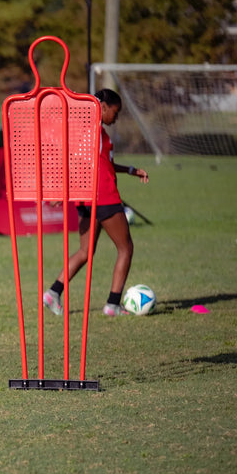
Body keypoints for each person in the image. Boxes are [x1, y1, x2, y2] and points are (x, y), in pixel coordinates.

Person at [42, 89, 150, 317]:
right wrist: (60, 191)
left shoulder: (94, 132)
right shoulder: (91, 130)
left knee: (85, 251)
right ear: (101, 106)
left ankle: (53, 292)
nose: (116, 117)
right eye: (115, 111)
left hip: (86, 197)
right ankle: (112, 304)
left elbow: (104, 163)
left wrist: (130, 170)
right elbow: (72, 161)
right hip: (102, 195)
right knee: (125, 248)